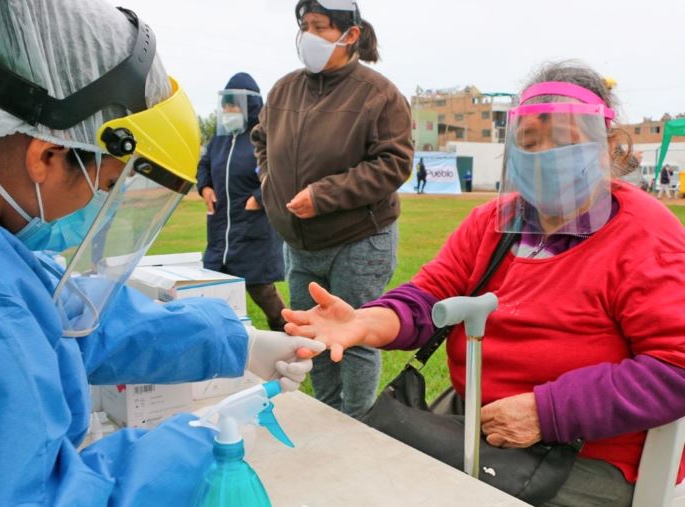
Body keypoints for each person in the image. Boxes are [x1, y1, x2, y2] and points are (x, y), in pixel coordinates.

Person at [0, 1, 324, 505]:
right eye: (107, 184)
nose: (96, 208)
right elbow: (30, 495)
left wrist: (236, 344)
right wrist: (198, 445)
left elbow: (62, 316)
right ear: (45, 157)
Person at [283, 62, 685, 506]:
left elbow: (677, 367)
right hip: (475, 422)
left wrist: (547, 413)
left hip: (590, 453)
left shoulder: (647, 235)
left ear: (609, 147)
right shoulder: (495, 223)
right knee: (362, 480)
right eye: (530, 143)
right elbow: (427, 298)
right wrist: (364, 321)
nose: (544, 157)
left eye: (564, 141)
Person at [251, 0, 413, 418]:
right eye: (304, 26)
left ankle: (359, 423)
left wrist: (323, 196)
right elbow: (261, 139)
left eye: (319, 27)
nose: (307, 36)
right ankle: (325, 415)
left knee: (351, 339)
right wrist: (271, 183)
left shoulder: (379, 94)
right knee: (310, 334)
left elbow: (394, 164)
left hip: (357, 240)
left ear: (350, 35)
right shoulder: (284, 88)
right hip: (299, 243)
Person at [198, 73, 287, 331]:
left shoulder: (265, 138)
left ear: (249, 107)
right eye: (225, 104)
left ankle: (288, 334)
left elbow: (281, 173)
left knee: (261, 291)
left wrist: (258, 199)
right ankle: (226, 342)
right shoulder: (220, 139)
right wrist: (204, 187)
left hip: (252, 229)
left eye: (233, 104)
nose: (228, 110)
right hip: (221, 230)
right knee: (215, 290)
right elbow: (204, 164)